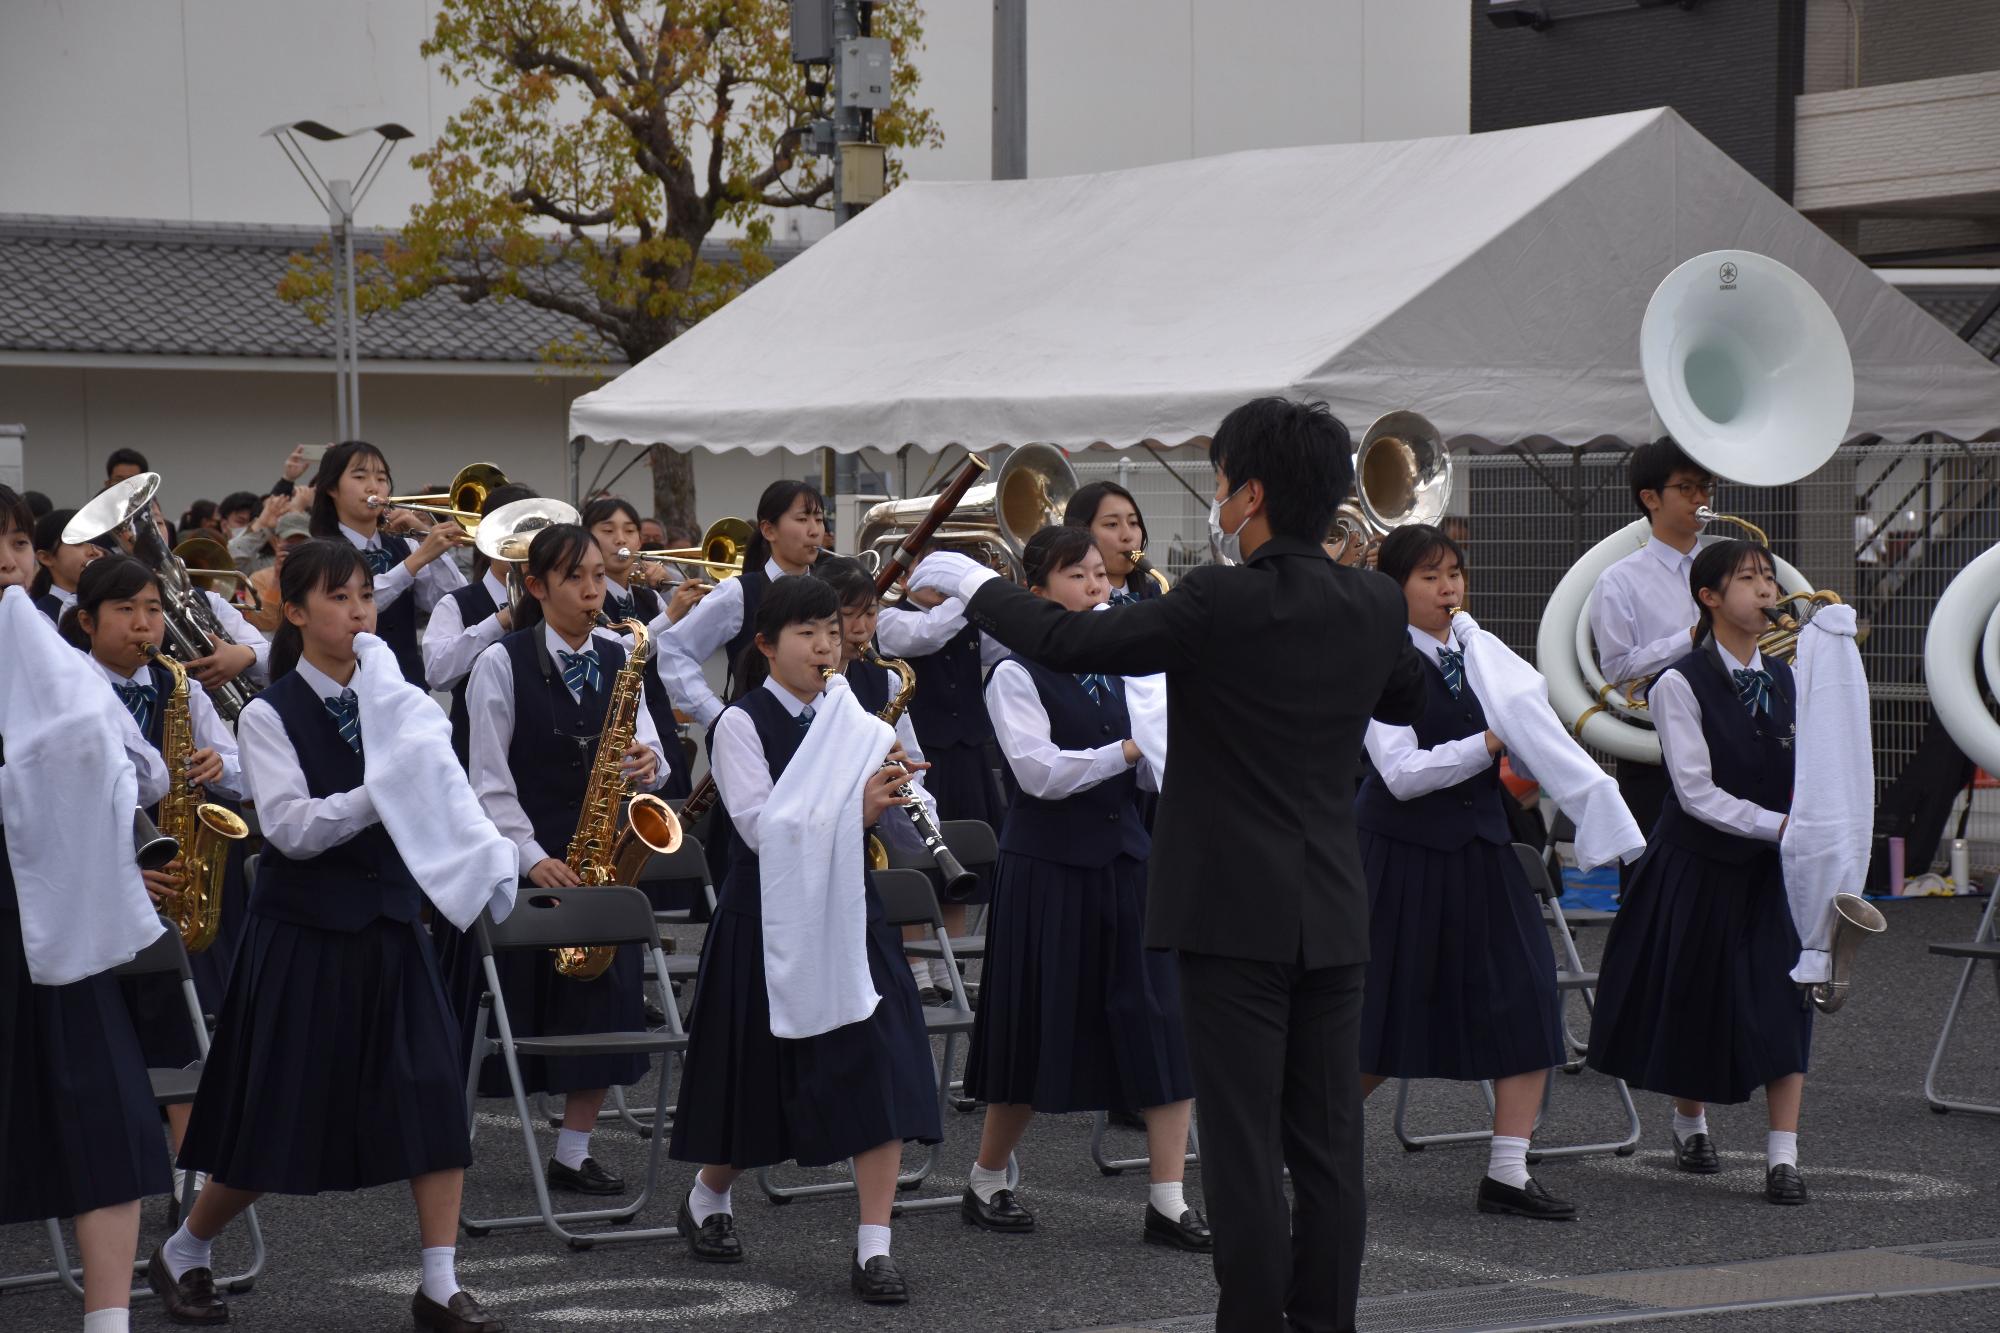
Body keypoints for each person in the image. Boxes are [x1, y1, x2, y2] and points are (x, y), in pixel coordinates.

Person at [912, 397, 1428, 1333]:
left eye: (1225, 481)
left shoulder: (1216, 600)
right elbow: (1413, 693)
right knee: (1326, 1149)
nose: (1219, 498)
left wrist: (973, 583)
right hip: (1334, 910)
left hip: (1228, 914)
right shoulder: (1374, 600)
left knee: (1240, 1147)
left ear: (1255, 493)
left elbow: (1069, 640)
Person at [154, 540, 505, 1331]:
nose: (357, 613)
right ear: (296, 612)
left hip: (391, 925)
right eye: (338, 599)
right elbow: (290, 829)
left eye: (364, 598)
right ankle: (185, 1248)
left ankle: (440, 1283)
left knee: (432, 1095)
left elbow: (441, 798)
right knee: (276, 1112)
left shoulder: (400, 696)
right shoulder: (270, 712)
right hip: (304, 934)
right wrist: (386, 792)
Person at [668, 574, 942, 1305]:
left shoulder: (858, 719)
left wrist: (905, 811)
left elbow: (891, 815)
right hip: (766, 917)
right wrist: (854, 808)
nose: (826, 646)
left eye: (833, 631)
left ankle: (874, 1246)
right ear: (765, 644)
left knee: (876, 1066)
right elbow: (762, 829)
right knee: (754, 1080)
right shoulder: (738, 724)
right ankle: (707, 1195)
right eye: (806, 634)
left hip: (850, 913)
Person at [953, 526, 1206, 1250]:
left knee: (1163, 1020)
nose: (1098, 587)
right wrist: (1129, 748)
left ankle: (1168, 1198)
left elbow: (1162, 764)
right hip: (1048, 865)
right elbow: (1038, 773)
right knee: (1037, 1027)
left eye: (1102, 574)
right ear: (1037, 590)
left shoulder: (1133, 666)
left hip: (1128, 858)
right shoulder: (1014, 670)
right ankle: (988, 1176)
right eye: (1078, 575)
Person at [1585, 539, 1813, 1207]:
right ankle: (1691, 1123)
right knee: (1696, 996)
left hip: (1773, 866)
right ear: (1710, 597)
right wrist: (1777, 825)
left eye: (1769, 578)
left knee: (1787, 1000)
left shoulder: (1788, 676)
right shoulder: (1677, 682)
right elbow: (1694, 792)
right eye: (1748, 579)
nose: (1766, 590)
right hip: (1699, 861)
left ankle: (1783, 1156)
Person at [1353, 525, 1571, 1221]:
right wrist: (1493, 740)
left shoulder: (1481, 654)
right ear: (1393, 588)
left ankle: (1507, 1170)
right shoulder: (1375, 661)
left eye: (1455, 573)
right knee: (1376, 1017)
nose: (1449, 588)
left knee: (1531, 993)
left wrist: (1541, 750)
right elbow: (1402, 773)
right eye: (1429, 576)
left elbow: (1514, 754)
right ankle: (1288, 1137)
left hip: (1482, 846)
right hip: (1401, 853)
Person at [2, 484, 175, 1333]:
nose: (7, 560)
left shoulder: (60, 661)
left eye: (17, 545)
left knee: (107, 1119)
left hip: (60, 922)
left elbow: (138, 771)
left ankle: (108, 1323)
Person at [461, 524, 670, 1198]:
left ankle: (573, 1151)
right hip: (538, 853)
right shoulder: (499, 662)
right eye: (576, 577)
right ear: (537, 585)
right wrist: (530, 857)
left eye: (598, 575)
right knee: (520, 1009)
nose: (592, 589)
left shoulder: (622, 653)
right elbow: (487, 783)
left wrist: (649, 761)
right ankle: (455, 1134)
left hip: (607, 853)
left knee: (607, 1005)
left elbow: (657, 759)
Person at [60, 554, 251, 1215]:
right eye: (126, 611)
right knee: (102, 1040)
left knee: (180, 1028)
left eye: (153, 609)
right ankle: (103, 1172)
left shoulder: (179, 685)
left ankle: (185, 1177)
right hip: (99, 878)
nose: (145, 624)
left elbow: (247, 777)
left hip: (174, 882)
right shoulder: (68, 689)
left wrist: (219, 760)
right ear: (87, 621)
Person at [1590, 440, 1715, 889]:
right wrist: (1691, 639)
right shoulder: (1619, 580)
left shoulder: (1729, 565)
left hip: (1727, 736)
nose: (1700, 499)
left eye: (1705, 487)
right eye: (1686, 488)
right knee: (1654, 882)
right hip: (1653, 747)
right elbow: (1618, 672)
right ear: (1650, 497)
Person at [657, 480, 827, 733]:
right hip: (755, 740)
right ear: (769, 530)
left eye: (820, 519)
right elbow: (674, 649)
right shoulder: (739, 593)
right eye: (802, 520)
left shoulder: (829, 590)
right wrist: (717, 717)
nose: (814, 531)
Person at [307, 439, 468, 686]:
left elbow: (450, 600)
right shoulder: (319, 551)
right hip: (348, 684)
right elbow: (358, 604)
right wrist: (419, 558)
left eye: (381, 479)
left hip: (407, 682)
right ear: (331, 488)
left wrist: (427, 537)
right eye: (360, 477)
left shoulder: (406, 546)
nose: (373, 487)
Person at [582, 495, 706, 797]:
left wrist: (682, 591)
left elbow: (684, 648)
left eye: (629, 530)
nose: (620, 539)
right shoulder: (587, 598)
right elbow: (617, 653)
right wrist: (671, 614)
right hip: (614, 734)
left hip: (661, 727)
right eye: (608, 531)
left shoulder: (649, 598)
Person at [424, 483, 536, 766]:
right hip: (476, 753)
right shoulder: (456, 603)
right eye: (510, 530)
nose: (522, 543)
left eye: (532, 531)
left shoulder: (556, 600)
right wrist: (499, 621)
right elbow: (437, 673)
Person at [1064, 481, 1164, 604]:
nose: (1127, 536)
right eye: (1112, 524)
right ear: (1079, 531)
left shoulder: (1154, 592)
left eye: (1133, 522)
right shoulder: (1066, 599)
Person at [29, 507, 104, 622]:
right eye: (78, 542)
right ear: (46, 558)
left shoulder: (105, 603)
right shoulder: (41, 615)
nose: (94, 552)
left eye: (94, 542)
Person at [242, 513, 313, 634]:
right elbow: (264, 622)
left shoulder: (323, 575)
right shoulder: (259, 578)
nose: (296, 549)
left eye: (302, 543)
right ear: (276, 542)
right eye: (290, 543)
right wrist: (277, 578)